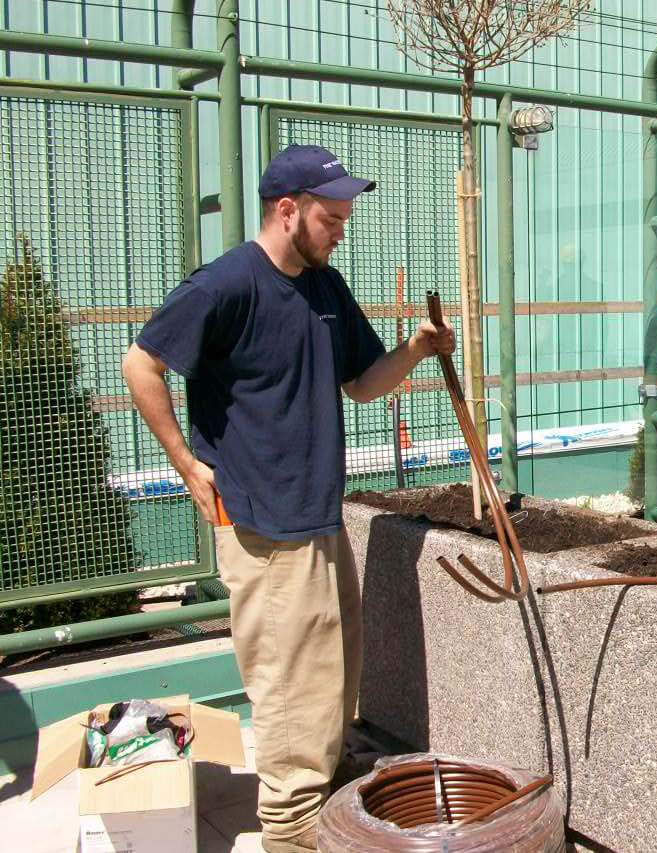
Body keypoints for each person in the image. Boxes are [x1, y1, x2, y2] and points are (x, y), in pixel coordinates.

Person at [121, 144, 454, 853]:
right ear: (286, 210)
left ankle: (322, 808)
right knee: (291, 700)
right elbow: (140, 363)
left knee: (332, 684)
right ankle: (293, 834)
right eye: (330, 217)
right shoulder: (226, 285)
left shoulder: (323, 287)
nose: (341, 230)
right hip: (265, 527)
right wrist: (186, 463)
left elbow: (362, 382)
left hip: (317, 519)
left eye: (343, 218)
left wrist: (418, 348)